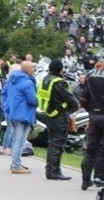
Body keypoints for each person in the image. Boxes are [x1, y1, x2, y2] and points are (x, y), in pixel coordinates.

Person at [38, 59, 78, 181]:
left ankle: (49, 170)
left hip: (49, 115)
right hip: (60, 116)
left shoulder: (45, 80)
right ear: (60, 69)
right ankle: (55, 171)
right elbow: (72, 100)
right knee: (58, 144)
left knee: (51, 143)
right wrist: (74, 106)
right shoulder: (60, 82)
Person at [3, 60, 37, 174]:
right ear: (28, 70)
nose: (34, 70)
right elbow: (32, 100)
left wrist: (6, 107)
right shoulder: (27, 83)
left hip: (13, 113)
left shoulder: (12, 80)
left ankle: (16, 162)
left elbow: (4, 94)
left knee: (16, 140)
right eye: (32, 68)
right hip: (23, 114)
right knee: (20, 141)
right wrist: (38, 101)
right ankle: (16, 165)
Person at [80, 58, 104, 189]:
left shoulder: (90, 77)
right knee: (102, 149)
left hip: (93, 116)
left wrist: (90, 108)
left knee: (90, 149)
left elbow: (83, 97)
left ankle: (85, 180)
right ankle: (99, 177)